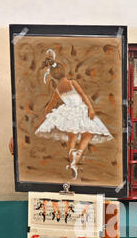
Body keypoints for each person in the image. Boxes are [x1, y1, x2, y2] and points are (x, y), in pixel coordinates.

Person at [34, 49, 113, 180]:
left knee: (72, 140)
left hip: (68, 113)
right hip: (80, 111)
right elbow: (83, 96)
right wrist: (90, 108)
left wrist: (41, 121)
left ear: (53, 75)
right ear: (63, 71)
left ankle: (73, 161)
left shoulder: (57, 90)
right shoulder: (72, 83)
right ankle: (76, 159)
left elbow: (48, 108)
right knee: (88, 134)